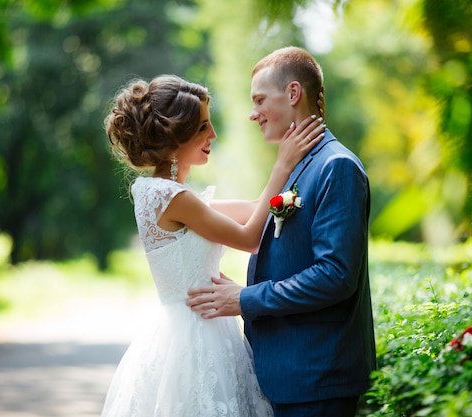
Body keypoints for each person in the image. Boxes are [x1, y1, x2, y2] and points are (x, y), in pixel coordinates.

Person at [99, 74, 325, 417]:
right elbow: (250, 238)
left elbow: (252, 210)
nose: (213, 135)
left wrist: (292, 174)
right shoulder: (170, 197)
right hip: (195, 336)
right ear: (177, 135)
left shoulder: (167, 195)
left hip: (202, 326)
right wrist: (282, 164)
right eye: (203, 127)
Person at [186, 46, 377, 417]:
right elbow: (263, 223)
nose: (252, 113)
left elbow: (335, 276)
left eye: (259, 99)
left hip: (317, 379)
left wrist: (245, 299)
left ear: (293, 94)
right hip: (288, 376)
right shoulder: (297, 162)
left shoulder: (336, 167)